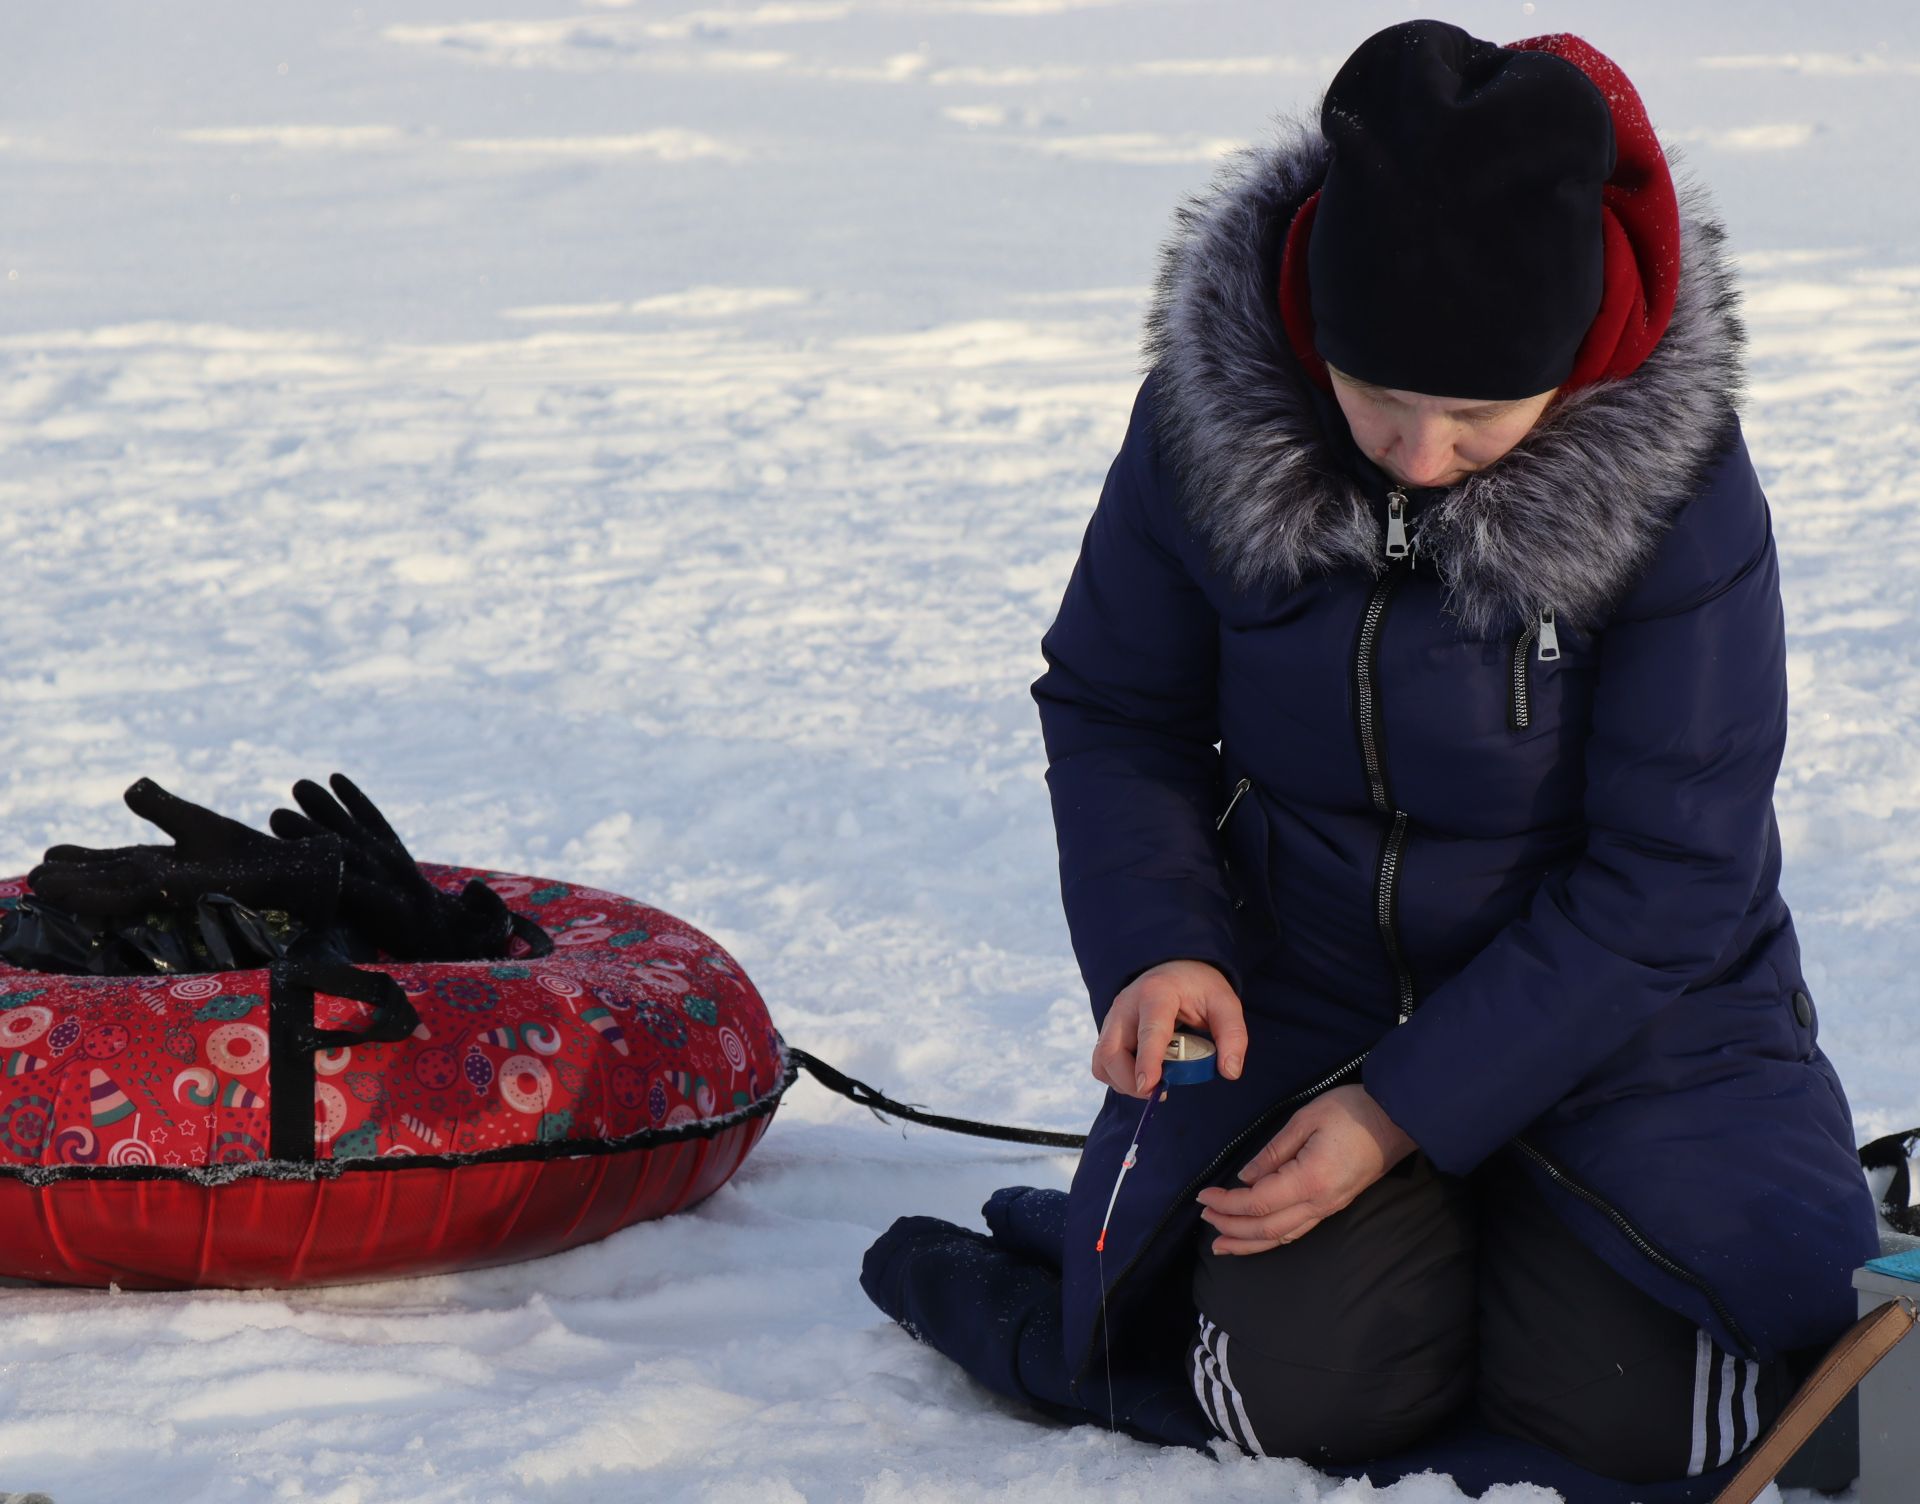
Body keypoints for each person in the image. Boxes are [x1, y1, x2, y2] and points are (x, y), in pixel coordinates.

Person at [861, 19, 1879, 1501]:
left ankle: (1525, 1218)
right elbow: (1115, 708)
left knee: (1656, 1421)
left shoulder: (1683, 490)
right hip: (1309, 1001)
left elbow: (1675, 873)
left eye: (1474, 413)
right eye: (1376, 395)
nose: (1413, 452)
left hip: (1634, 1033)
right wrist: (1159, 947)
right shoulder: (1201, 431)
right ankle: (1426, 1239)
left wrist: (1405, 1114)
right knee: (1299, 1399)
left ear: (1572, 361)